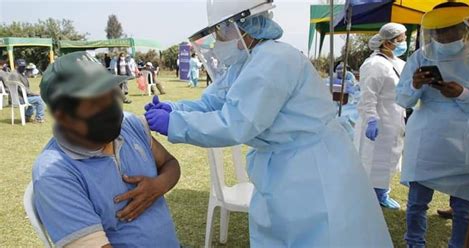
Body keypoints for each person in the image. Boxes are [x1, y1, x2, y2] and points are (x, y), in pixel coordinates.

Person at [144, 1, 392, 247]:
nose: (218, 40)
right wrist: (176, 109)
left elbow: (237, 122)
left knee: (324, 235)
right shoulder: (246, 62)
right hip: (285, 166)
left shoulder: (275, 59)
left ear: (246, 25)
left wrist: (175, 123)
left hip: (312, 169)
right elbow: (214, 102)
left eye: (222, 31)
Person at [33, 52, 180, 247]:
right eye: (94, 100)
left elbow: (170, 163)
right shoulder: (54, 172)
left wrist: (159, 186)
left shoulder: (129, 125)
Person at [396, 2, 469, 248]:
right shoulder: (422, 55)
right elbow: (402, 99)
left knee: (463, 206)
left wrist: (462, 94)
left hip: (464, 141)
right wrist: (415, 85)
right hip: (427, 139)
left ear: (466, 26)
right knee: (417, 202)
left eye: (448, 30)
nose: (442, 37)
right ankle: (414, 243)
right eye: (438, 31)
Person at [353, 23, 407, 210]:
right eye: (401, 39)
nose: (404, 42)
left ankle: (382, 192)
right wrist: (371, 119)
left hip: (394, 118)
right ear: (387, 43)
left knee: (389, 158)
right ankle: (370, 194)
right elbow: (368, 95)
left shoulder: (399, 63)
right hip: (377, 119)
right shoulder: (374, 64)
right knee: (372, 158)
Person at [10, 59, 46, 123]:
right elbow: (22, 89)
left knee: (35, 100)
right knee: (39, 99)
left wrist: (33, 94)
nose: (23, 68)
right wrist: (34, 93)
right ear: (16, 66)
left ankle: (27, 116)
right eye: (21, 67)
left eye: (24, 66)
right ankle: (39, 118)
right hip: (19, 98)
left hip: (18, 97)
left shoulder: (16, 73)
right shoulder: (15, 75)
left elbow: (23, 89)